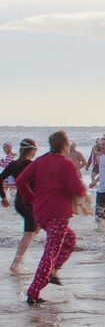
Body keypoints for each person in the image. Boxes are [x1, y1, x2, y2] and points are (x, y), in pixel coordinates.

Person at [16, 131, 87, 305]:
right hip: (58, 214)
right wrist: (81, 188)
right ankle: (34, 290)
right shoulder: (66, 165)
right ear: (65, 145)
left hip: (41, 213)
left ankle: (53, 273)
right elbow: (79, 190)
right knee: (51, 251)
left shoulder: (40, 161)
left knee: (70, 239)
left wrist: (31, 199)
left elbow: (20, 181)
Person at [0, 138, 39, 273]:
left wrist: (3, 197)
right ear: (32, 150)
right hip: (29, 201)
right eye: (35, 150)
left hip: (19, 201)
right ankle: (16, 263)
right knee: (30, 232)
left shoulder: (15, 164)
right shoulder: (32, 165)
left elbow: (0, 178)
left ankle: (20, 255)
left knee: (35, 227)